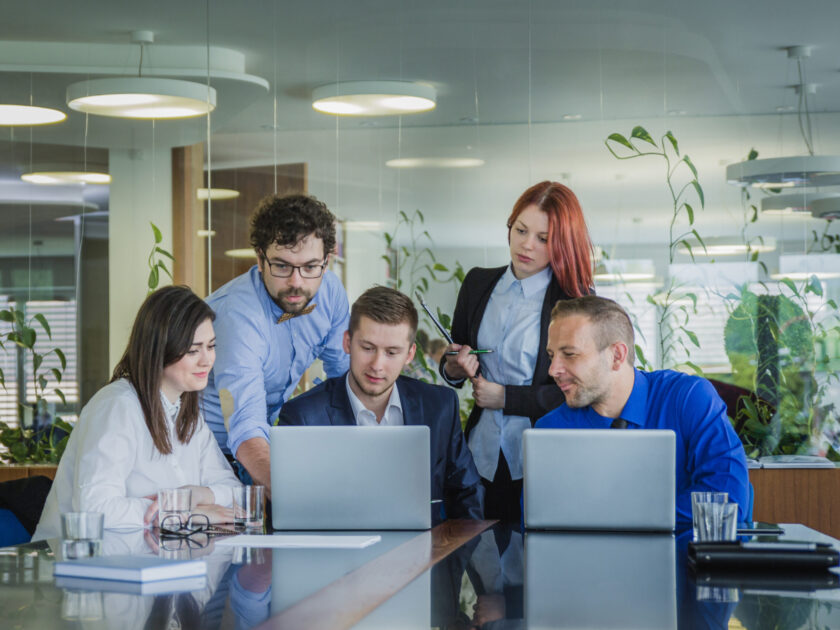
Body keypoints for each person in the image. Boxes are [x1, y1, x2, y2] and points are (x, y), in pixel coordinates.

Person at [33, 286, 241, 540]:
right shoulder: (117, 406)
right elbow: (95, 510)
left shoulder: (188, 414)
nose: (207, 360)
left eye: (211, 346)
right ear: (160, 349)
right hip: (78, 565)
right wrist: (184, 513)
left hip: (149, 561)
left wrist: (196, 495)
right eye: (193, 350)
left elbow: (235, 493)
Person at [441, 181, 594, 522]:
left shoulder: (574, 303)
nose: (526, 245)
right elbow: (457, 356)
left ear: (562, 244)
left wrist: (506, 398)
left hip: (542, 457)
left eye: (543, 239)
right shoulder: (478, 284)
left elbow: (581, 392)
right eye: (521, 230)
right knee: (479, 563)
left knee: (537, 565)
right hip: (480, 454)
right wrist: (453, 368)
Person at [536, 295, 750, 522]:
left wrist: (620, 517)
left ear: (616, 356)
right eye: (551, 356)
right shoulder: (550, 430)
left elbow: (728, 499)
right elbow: (540, 521)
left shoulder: (688, 399)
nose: (553, 370)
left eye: (569, 354)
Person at [278, 286, 484, 522]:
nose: (377, 365)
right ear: (347, 342)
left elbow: (468, 496)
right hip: (337, 555)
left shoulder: (439, 406)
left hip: (425, 553)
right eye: (367, 348)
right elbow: (292, 515)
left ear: (409, 354)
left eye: (392, 352)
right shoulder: (303, 417)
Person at [203, 193, 350, 490]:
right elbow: (243, 423)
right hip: (212, 456)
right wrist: (295, 495)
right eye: (282, 266)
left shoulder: (330, 292)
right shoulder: (238, 317)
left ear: (327, 261)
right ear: (260, 258)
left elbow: (343, 379)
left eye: (310, 267)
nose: (297, 282)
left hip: (268, 444)